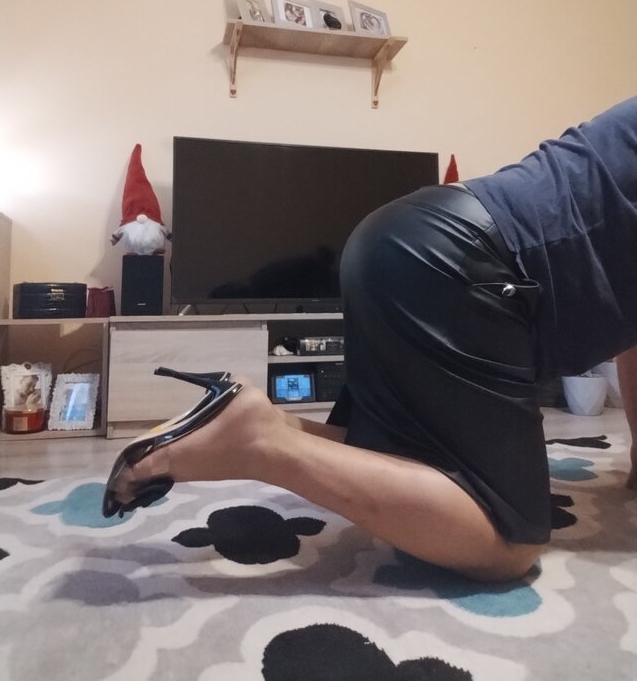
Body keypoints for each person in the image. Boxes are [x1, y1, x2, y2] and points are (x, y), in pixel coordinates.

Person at [103, 95, 637, 582]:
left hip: (401, 235)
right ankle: (258, 443)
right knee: (507, 539)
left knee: (387, 452)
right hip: (461, 260)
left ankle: (263, 424)